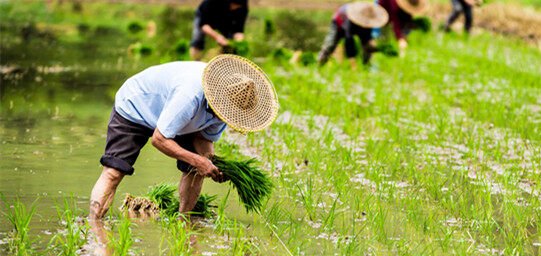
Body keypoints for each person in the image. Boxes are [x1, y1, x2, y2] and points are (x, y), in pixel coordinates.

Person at [89, 54, 279, 221]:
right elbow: (160, 139)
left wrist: (211, 164)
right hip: (136, 106)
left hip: (177, 118)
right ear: (216, 99)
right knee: (114, 172)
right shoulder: (190, 95)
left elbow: (204, 140)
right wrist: (197, 160)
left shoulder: (228, 108)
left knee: (197, 171)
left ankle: (184, 222)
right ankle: (93, 226)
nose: (226, 118)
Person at [318, 2, 389, 69]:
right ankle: (319, 64)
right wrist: (353, 65)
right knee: (330, 44)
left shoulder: (368, 23)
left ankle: (367, 65)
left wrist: (373, 48)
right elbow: (349, 41)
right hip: (338, 22)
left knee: (367, 46)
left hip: (355, 26)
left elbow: (367, 39)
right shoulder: (350, 20)